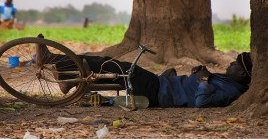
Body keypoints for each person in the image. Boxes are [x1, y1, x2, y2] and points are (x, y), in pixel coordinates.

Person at [37, 39, 252, 108]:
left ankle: (54, 60)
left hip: (158, 92)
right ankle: (67, 80)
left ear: (243, 75)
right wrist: (200, 74)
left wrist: (204, 80)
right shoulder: (230, 81)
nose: (230, 65)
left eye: (235, 65)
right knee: (116, 76)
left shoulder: (232, 91)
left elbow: (202, 102)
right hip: (162, 84)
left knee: (111, 65)